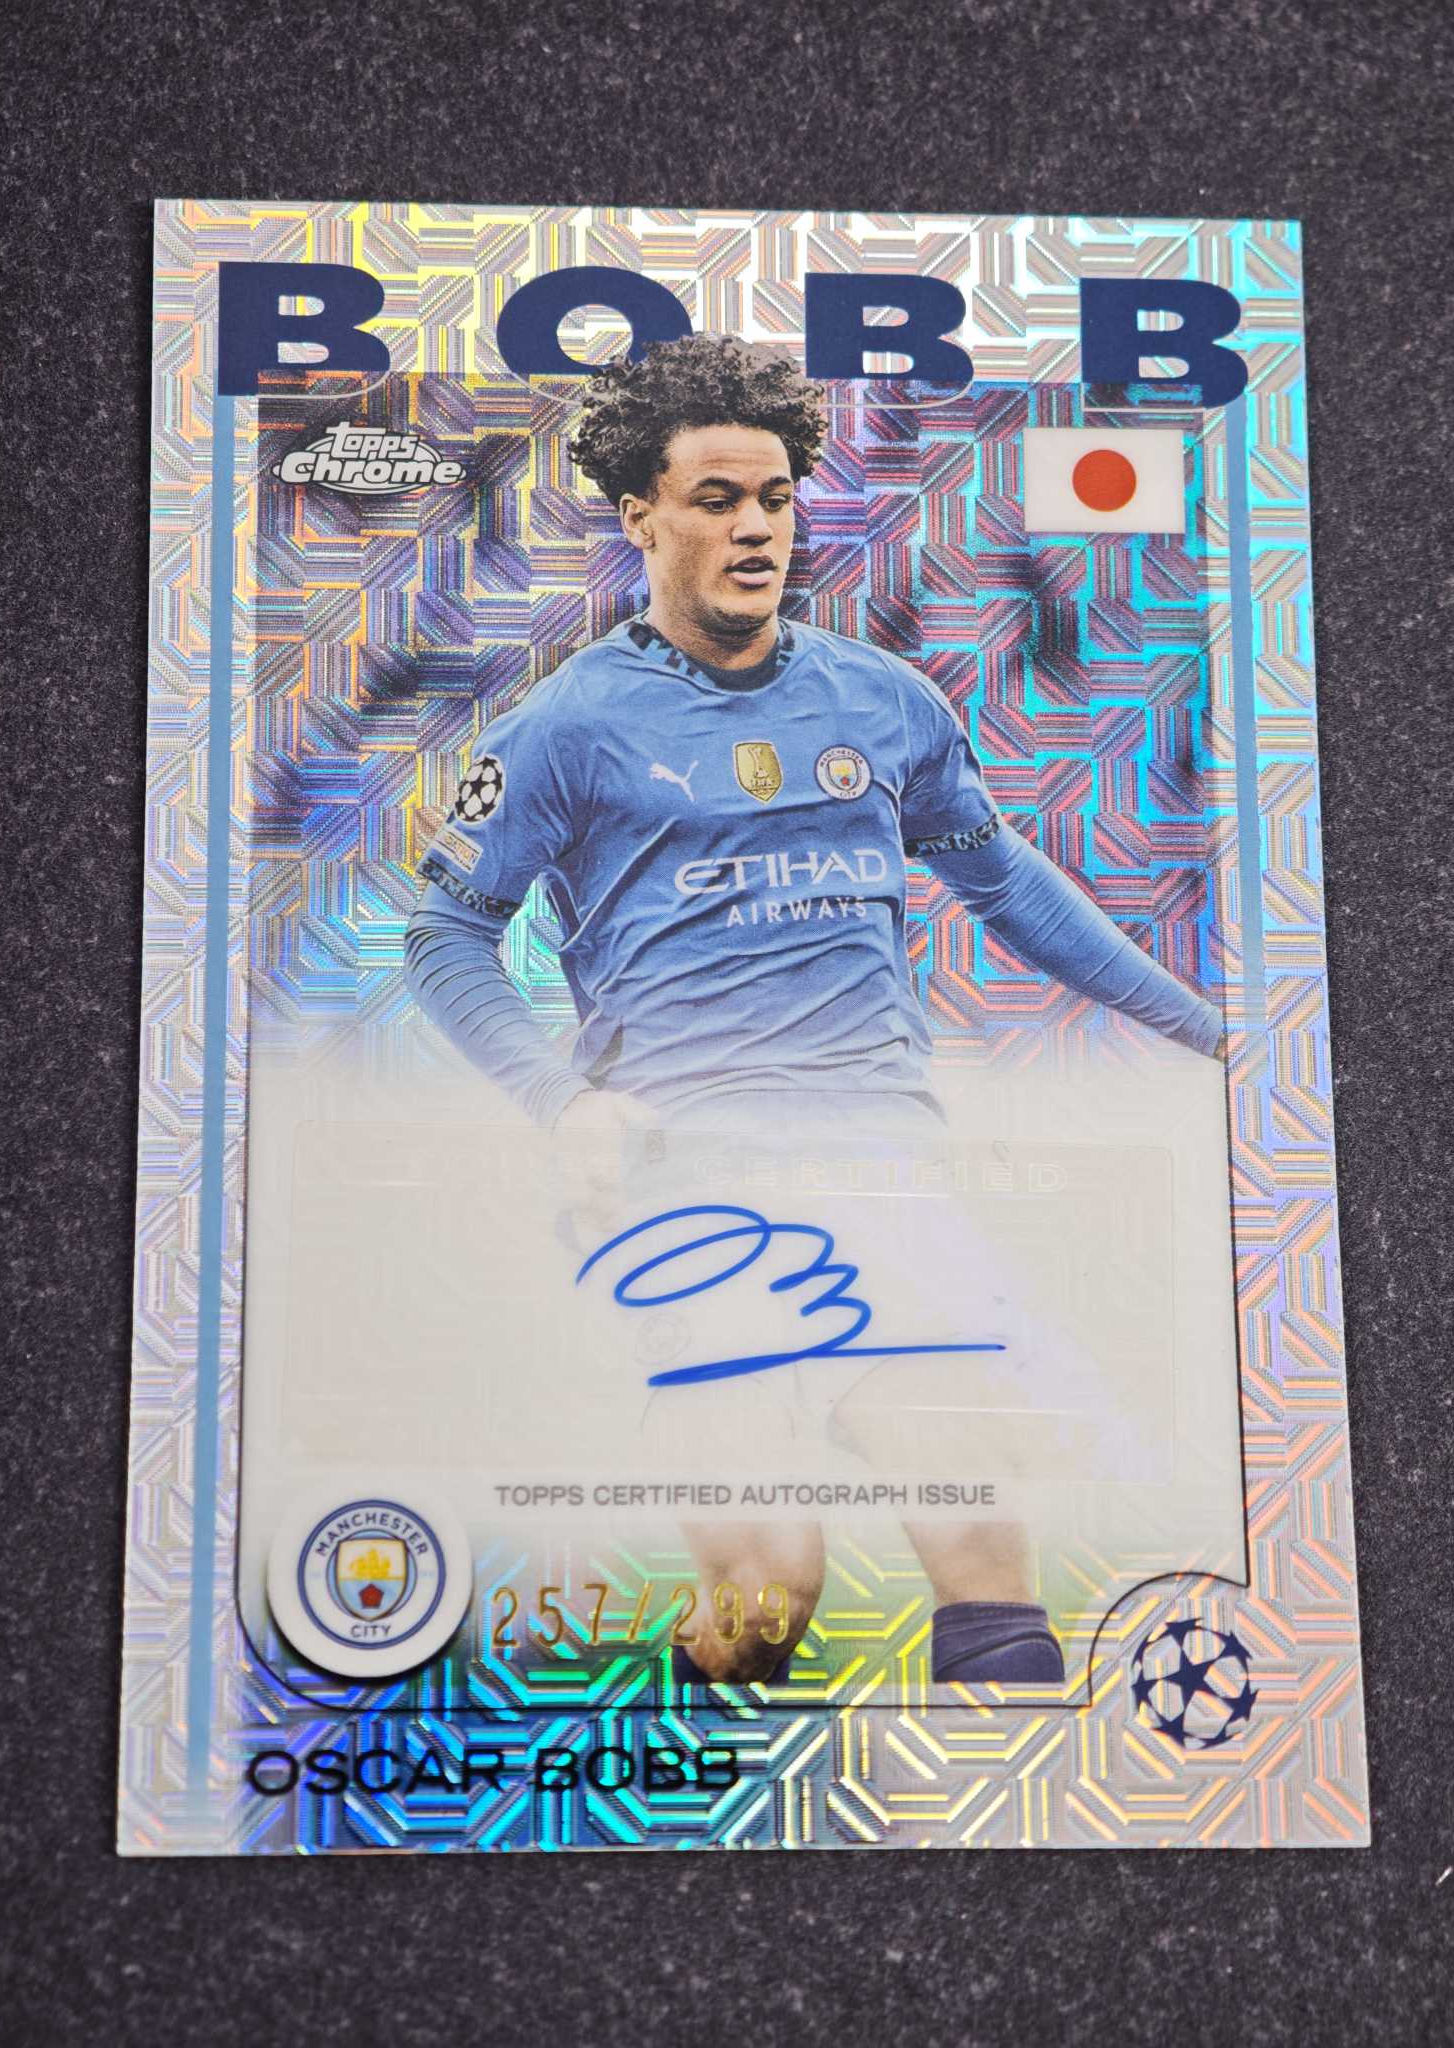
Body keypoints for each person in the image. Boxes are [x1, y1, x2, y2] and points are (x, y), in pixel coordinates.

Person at [404, 333, 1223, 1689]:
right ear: (642, 517)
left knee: (988, 1563)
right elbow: (444, 936)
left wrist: (1215, 1035)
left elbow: (1006, 882)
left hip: (881, 1169)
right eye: (717, 499)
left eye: (776, 499)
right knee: (771, 1602)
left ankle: (1002, 1806)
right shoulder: (565, 727)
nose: (755, 528)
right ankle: (654, 1742)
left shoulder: (884, 701)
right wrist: (562, 1101)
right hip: (687, 1189)